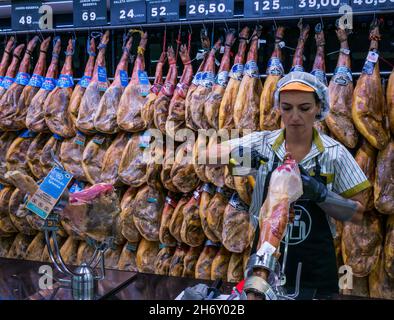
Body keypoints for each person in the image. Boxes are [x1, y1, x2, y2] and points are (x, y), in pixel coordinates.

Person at [206, 71, 370, 298]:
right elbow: (208, 154)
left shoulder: (335, 154)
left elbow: (358, 214)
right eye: (286, 108)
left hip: (316, 266)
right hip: (264, 259)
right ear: (278, 108)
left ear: (318, 107)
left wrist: (321, 194)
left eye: (304, 108)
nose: (294, 117)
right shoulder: (263, 142)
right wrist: (239, 155)